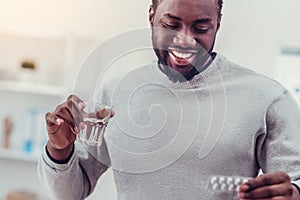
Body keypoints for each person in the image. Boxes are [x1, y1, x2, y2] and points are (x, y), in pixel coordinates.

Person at [38, 0, 300, 199]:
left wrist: (292, 194)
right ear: (152, 16)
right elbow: (71, 192)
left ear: (218, 23)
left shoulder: (266, 97)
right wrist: (60, 151)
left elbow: (295, 182)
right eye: (171, 25)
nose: (185, 39)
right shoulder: (115, 91)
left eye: (200, 27)